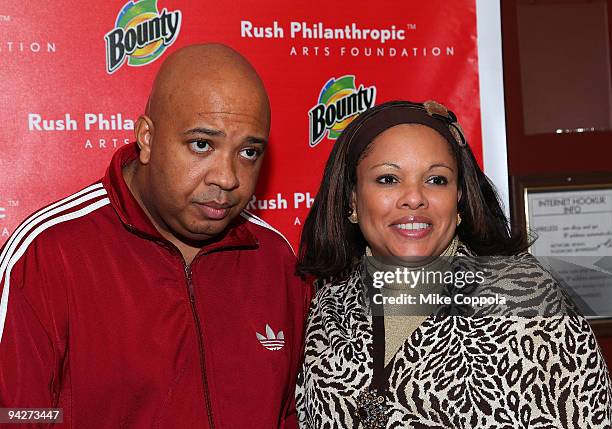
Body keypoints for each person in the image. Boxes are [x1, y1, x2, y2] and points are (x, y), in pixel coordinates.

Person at [0, 44, 311, 428]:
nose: (227, 177)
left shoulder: (275, 260)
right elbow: (15, 414)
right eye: (202, 145)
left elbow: (290, 415)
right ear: (147, 138)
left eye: (248, 152)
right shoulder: (50, 254)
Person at [295, 100, 612, 428]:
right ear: (352, 199)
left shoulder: (522, 297)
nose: (414, 197)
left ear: (459, 199)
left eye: (436, 180)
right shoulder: (327, 304)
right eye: (388, 179)